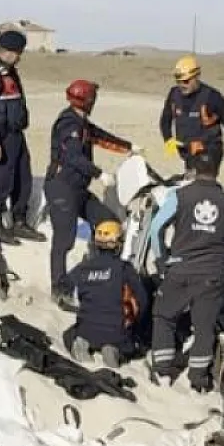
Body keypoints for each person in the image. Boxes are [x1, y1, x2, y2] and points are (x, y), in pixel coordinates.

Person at [147, 146, 224, 392]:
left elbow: (155, 228)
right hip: (213, 274)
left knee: (164, 316)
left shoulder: (179, 196)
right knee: (204, 327)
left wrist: (161, 259)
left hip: (180, 270)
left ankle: (162, 371)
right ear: (218, 170)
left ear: (193, 169)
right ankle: (198, 380)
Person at [45, 78, 135, 304]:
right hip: (62, 188)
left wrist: (129, 147)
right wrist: (99, 174)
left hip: (78, 188)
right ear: (88, 100)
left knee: (108, 220)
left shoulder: (82, 122)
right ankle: (59, 287)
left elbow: (102, 137)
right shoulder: (69, 124)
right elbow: (73, 157)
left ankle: (99, 266)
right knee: (64, 240)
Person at [0, 30, 43, 245]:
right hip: (1, 136)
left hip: (16, 134)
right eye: (16, 53)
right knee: (0, 181)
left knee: (23, 178)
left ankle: (19, 221)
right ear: (5, 51)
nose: (19, 57)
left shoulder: (12, 72)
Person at [61, 220, 148, 368]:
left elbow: (65, 285)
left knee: (69, 333)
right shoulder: (124, 268)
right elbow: (142, 300)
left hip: (86, 328)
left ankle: (82, 342)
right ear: (118, 244)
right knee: (133, 345)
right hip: (116, 332)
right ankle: (115, 350)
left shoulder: (84, 267)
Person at [159, 55, 224, 177]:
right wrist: (168, 139)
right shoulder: (174, 94)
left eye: (186, 81)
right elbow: (165, 119)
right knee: (191, 183)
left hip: (209, 151)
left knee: (203, 183)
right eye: (178, 82)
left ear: (196, 76)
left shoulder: (212, 97)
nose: (182, 85)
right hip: (188, 151)